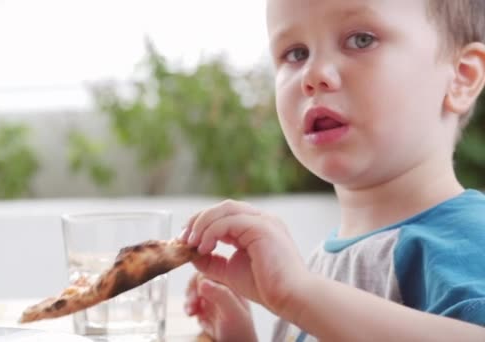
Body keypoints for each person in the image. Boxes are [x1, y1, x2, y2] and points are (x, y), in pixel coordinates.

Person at [180, 0, 485, 341]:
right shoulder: (314, 268)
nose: (313, 75)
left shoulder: (469, 240)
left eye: (361, 40)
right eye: (295, 53)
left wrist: (298, 294)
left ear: (461, 77)